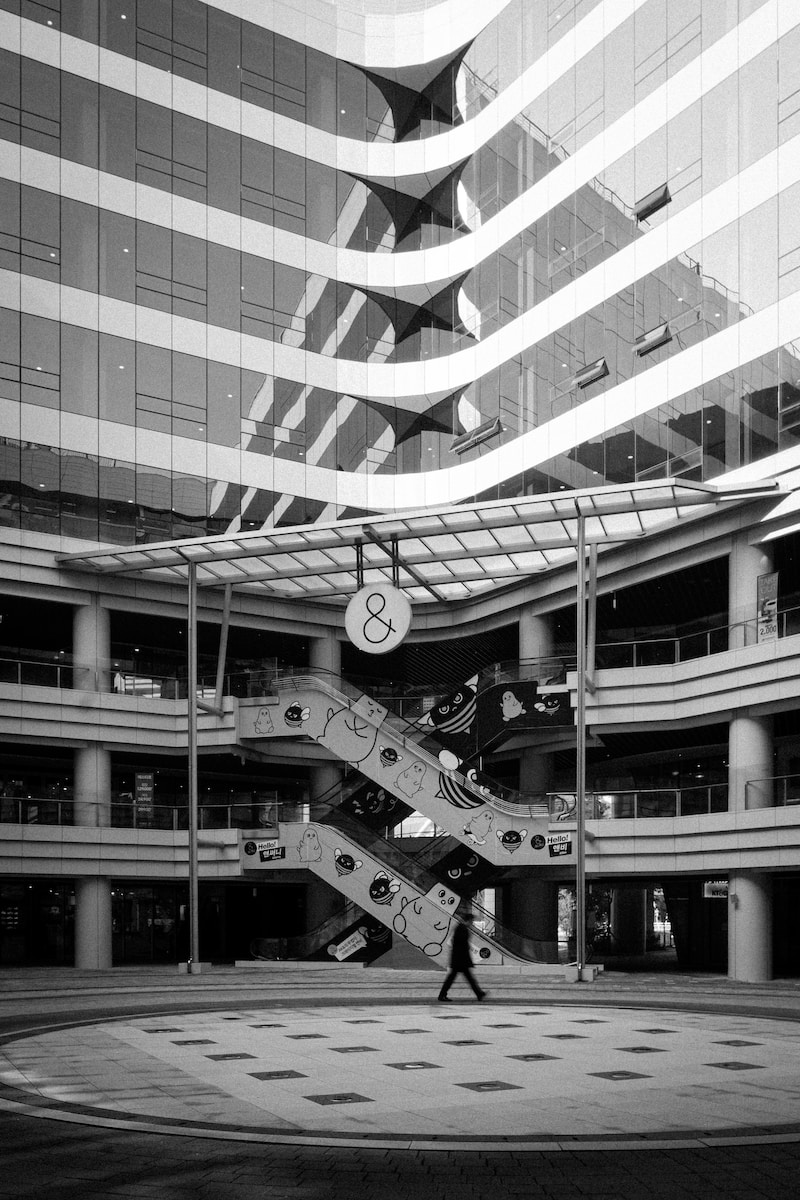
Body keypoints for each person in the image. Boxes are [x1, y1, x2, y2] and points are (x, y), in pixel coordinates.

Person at [437, 911, 487, 1002]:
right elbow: (461, 945)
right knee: (459, 978)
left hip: (459, 959)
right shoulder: (462, 928)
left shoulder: (460, 927)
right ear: (468, 920)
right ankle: (479, 993)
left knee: (459, 978)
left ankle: (479, 993)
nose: (472, 923)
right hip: (460, 959)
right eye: (471, 921)